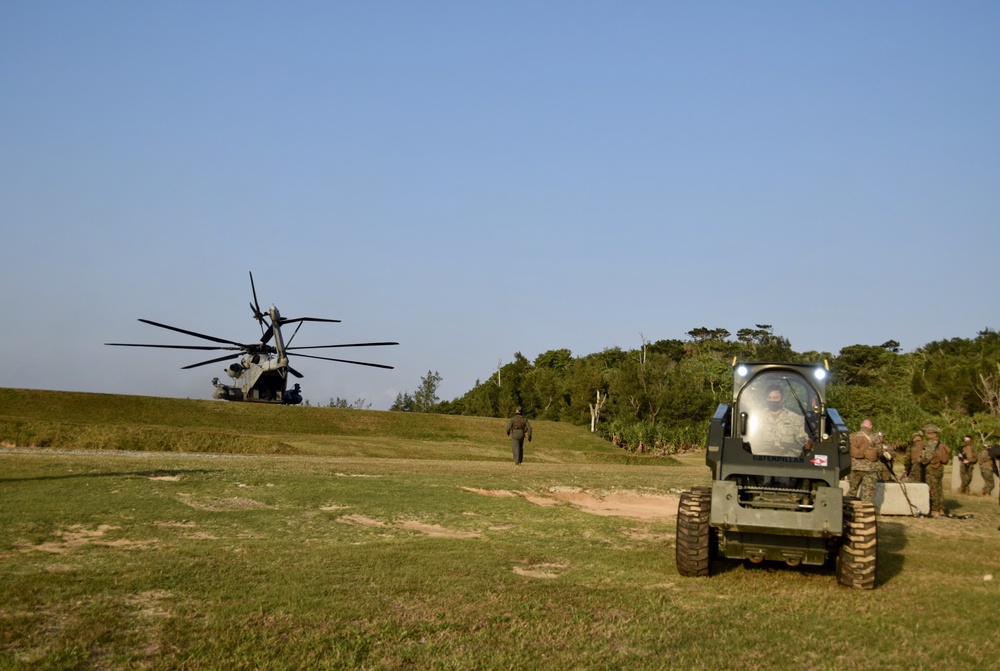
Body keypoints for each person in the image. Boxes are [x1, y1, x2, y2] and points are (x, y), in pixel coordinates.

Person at [746, 385, 813, 457]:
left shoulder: (795, 418)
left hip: (788, 460)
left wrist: (807, 442)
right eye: (769, 397)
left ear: (782, 399)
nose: (772, 400)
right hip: (760, 458)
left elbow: (802, 439)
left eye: (776, 398)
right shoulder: (757, 417)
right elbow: (749, 437)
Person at [921, 424, 950, 516]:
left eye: (926, 433)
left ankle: (934, 509)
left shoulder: (930, 443)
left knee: (932, 489)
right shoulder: (940, 442)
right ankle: (941, 508)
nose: (926, 435)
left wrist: (921, 460)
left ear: (930, 433)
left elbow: (927, 457)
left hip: (932, 468)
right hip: (940, 468)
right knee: (939, 488)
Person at [848, 419, 880, 502]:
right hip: (870, 469)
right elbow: (880, 452)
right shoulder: (875, 437)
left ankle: (849, 510)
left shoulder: (851, 436)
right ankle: (866, 512)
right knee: (868, 494)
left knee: (852, 491)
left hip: (855, 468)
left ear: (861, 425)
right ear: (871, 427)